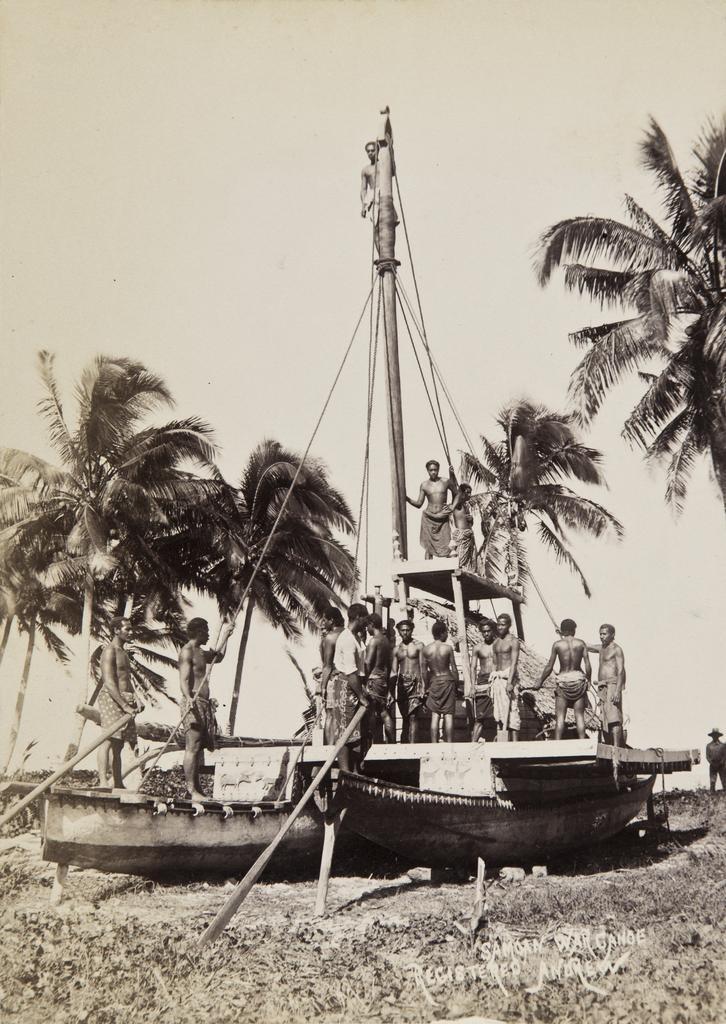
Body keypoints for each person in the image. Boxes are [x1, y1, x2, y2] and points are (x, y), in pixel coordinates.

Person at [179, 616, 234, 802]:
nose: (209, 634)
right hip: (193, 702)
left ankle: (197, 789)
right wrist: (188, 699)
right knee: (192, 746)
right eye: (206, 631)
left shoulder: (200, 653)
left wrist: (226, 635)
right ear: (198, 631)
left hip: (203, 703)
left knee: (200, 747)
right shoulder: (187, 652)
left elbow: (218, 657)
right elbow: (184, 680)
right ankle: (191, 789)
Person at [321, 603, 370, 772]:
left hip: (355, 686)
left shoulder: (355, 637)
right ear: (358, 617)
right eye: (365, 618)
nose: (366, 622)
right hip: (346, 687)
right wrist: (362, 697)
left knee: (356, 732)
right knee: (345, 731)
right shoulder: (347, 639)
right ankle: (345, 772)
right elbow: (350, 673)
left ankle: (354, 770)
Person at [97, 617, 140, 788]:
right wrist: (124, 705)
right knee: (108, 739)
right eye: (127, 629)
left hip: (125, 697)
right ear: (116, 630)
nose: (131, 632)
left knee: (119, 744)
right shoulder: (110, 651)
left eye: (131, 629)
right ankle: (102, 781)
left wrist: (136, 697)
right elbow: (109, 681)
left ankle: (118, 782)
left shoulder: (123, 653)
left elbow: (126, 679)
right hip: (111, 697)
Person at [535, 618, 591, 740]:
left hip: (563, 681)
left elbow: (549, 666)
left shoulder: (557, 645)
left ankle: (557, 745)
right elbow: (587, 665)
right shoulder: (581, 643)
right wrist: (589, 681)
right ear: (574, 630)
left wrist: (540, 681)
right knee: (579, 717)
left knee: (560, 717)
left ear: (562, 630)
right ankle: (582, 744)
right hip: (578, 680)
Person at [406, 460, 458, 559]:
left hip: (442, 517)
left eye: (435, 470)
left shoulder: (445, 481)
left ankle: (449, 568)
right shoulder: (424, 485)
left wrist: (452, 506)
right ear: (427, 471)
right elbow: (419, 504)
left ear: (438, 470)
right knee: (428, 547)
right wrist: (407, 499)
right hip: (429, 517)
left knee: (448, 545)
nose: (433, 472)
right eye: (431, 470)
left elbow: (457, 494)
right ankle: (427, 568)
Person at [587, 623, 625, 747]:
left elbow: (621, 671)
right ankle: (609, 747)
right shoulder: (601, 648)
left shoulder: (616, 649)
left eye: (604, 634)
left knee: (614, 719)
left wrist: (618, 690)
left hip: (613, 685)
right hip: (602, 687)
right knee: (604, 718)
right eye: (600, 634)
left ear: (612, 635)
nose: (602, 636)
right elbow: (588, 646)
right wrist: (566, 635)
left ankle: (616, 749)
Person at [422, 620, 458, 742]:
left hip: (434, 682)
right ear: (442, 633)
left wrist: (426, 686)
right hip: (447, 681)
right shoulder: (447, 648)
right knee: (448, 716)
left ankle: (434, 744)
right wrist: (457, 685)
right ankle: (449, 744)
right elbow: (454, 669)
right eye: (446, 632)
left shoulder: (426, 650)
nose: (447, 635)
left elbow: (423, 672)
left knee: (435, 715)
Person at [392, 619, 426, 743]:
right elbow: (393, 672)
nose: (405, 632)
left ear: (412, 630)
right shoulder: (396, 650)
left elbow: (423, 667)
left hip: (415, 684)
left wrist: (423, 686)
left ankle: (413, 748)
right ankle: (405, 745)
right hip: (401, 686)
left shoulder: (419, 646)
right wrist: (390, 691)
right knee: (405, 717)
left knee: (413, 717)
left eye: (408, 630)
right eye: (403, 630)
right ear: (399, 632)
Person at [364, 613, 395, 744]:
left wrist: (364, 681)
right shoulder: (386, 641)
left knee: (373, 712)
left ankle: (371, 743)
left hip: (373, 679)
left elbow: (368, 662)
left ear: (372, 624)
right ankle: (391, 742)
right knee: (383, 711)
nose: (366, 629)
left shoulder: (374, 640)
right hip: (382, 679)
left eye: (367, 626)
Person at [491, 613, 521, 740]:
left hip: (509, 679)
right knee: (499, 714)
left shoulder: (514, 641)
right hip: (497, 680)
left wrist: (509, 682)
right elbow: (494, 663)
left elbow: (514, 663)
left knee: (512, 714)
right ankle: (502, 743)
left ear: (509, 625)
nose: (500, 627)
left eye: (503, 624)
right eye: (498, 624)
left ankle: (514, 745)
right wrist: (491, 681)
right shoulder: (496, 642)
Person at [470, 619, 496, 743]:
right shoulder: (478, 648)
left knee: (500, 716)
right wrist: (472, 685)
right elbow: (473, 667)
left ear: (493, 631)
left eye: (488, 631)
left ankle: (500, 746)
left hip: (497, 680)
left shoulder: (499, 646)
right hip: (482, 682)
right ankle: (472, 746)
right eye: (484, 632)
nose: (486, 634)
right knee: (479, 717)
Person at [450, 482, 476, 570]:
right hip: (462, 536)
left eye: (470, 492)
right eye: (468, 492)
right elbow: (454, 491)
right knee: (459, 563)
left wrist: (471, 519)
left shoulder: (466, 506)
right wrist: (451, 474)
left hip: (469, 536)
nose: (470, 495)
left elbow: (470, 524)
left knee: (469, 565)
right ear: (462, 493)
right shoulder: (458, 504)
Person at [706, 728, 726, 793]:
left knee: (724, 781)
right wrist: (712, 763)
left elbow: (725, 755)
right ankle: (712, 795)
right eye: (714, 735)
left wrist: (722, 762)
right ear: (712, 736)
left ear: (718, 736)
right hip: (713, 766)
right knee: (712, 782)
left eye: (716, 735)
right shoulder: (708, 746)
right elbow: (707, 756)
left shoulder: (723, 745)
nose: (715, 736)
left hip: (721, 766)